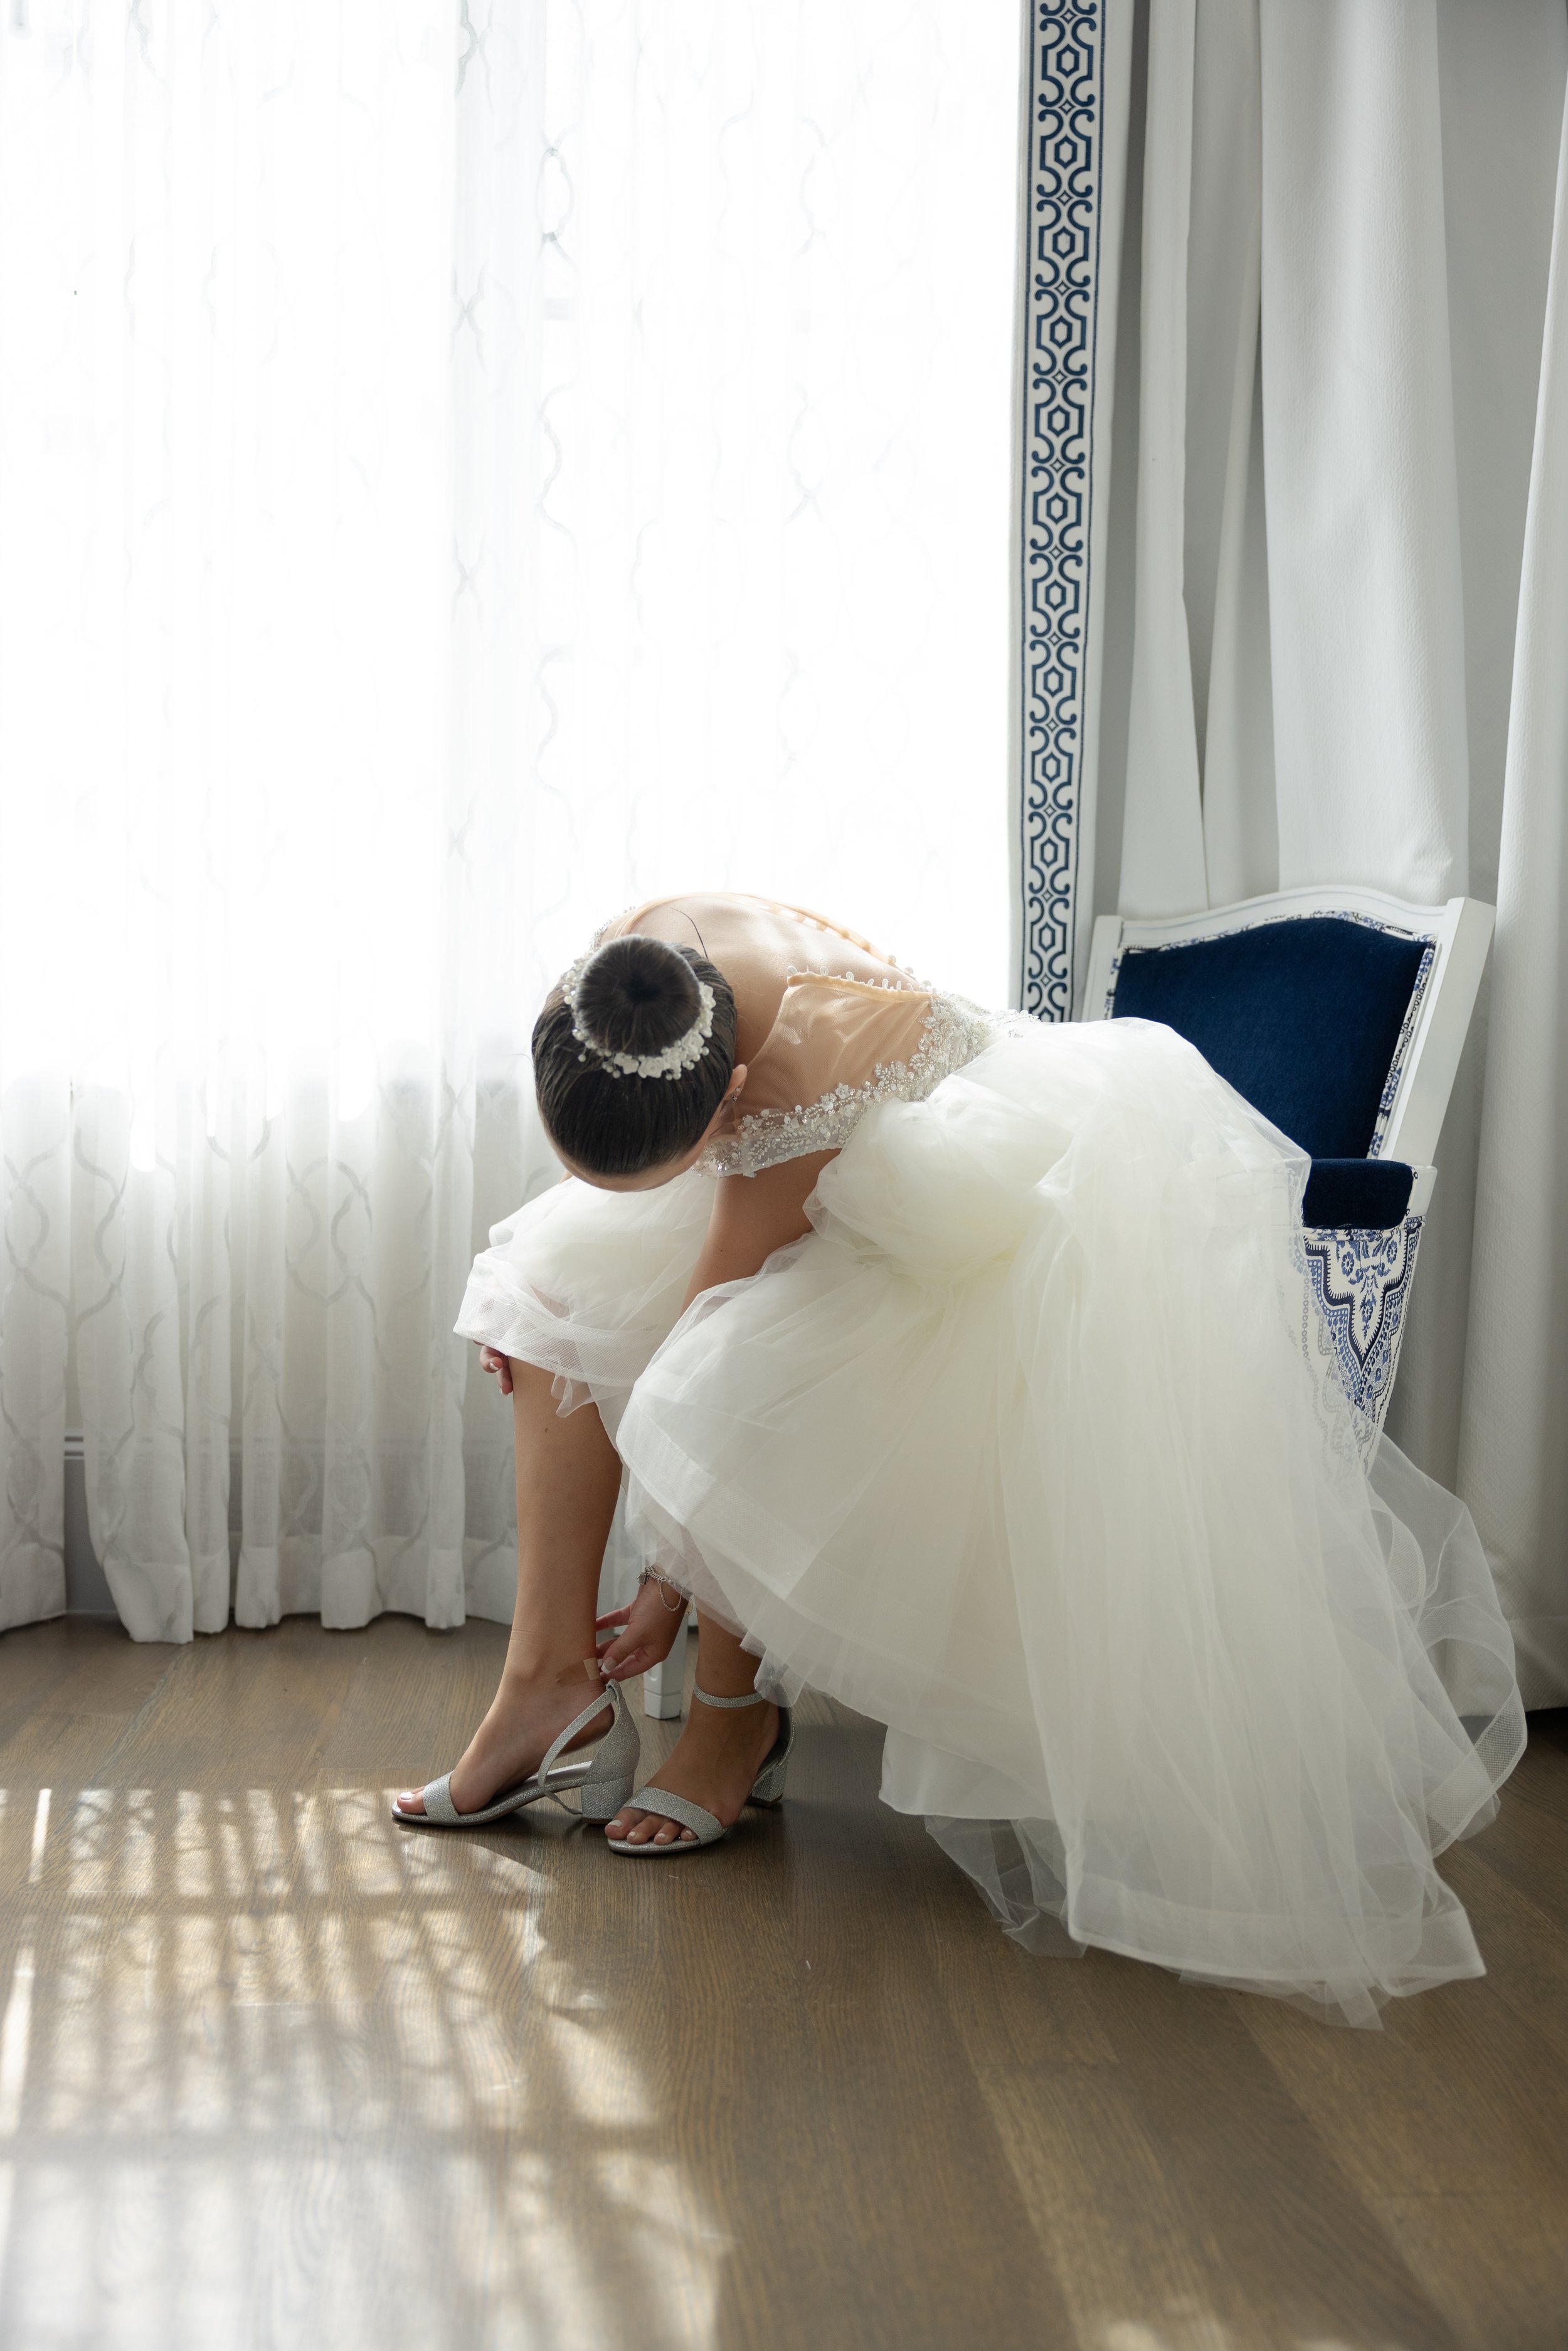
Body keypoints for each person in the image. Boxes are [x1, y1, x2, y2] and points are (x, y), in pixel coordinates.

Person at [394, 892, 1523, 2025]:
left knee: (737, 1378)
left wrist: (662, 1586)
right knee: (542, 1290)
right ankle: (551, 1692)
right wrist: (551, 1301)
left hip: (957, 1202)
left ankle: (732, 1716)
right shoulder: (622, 985)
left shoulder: (789, 1077)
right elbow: (644, 1197)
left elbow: (712, 1318)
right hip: (796, 1172)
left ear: (728, 1100)